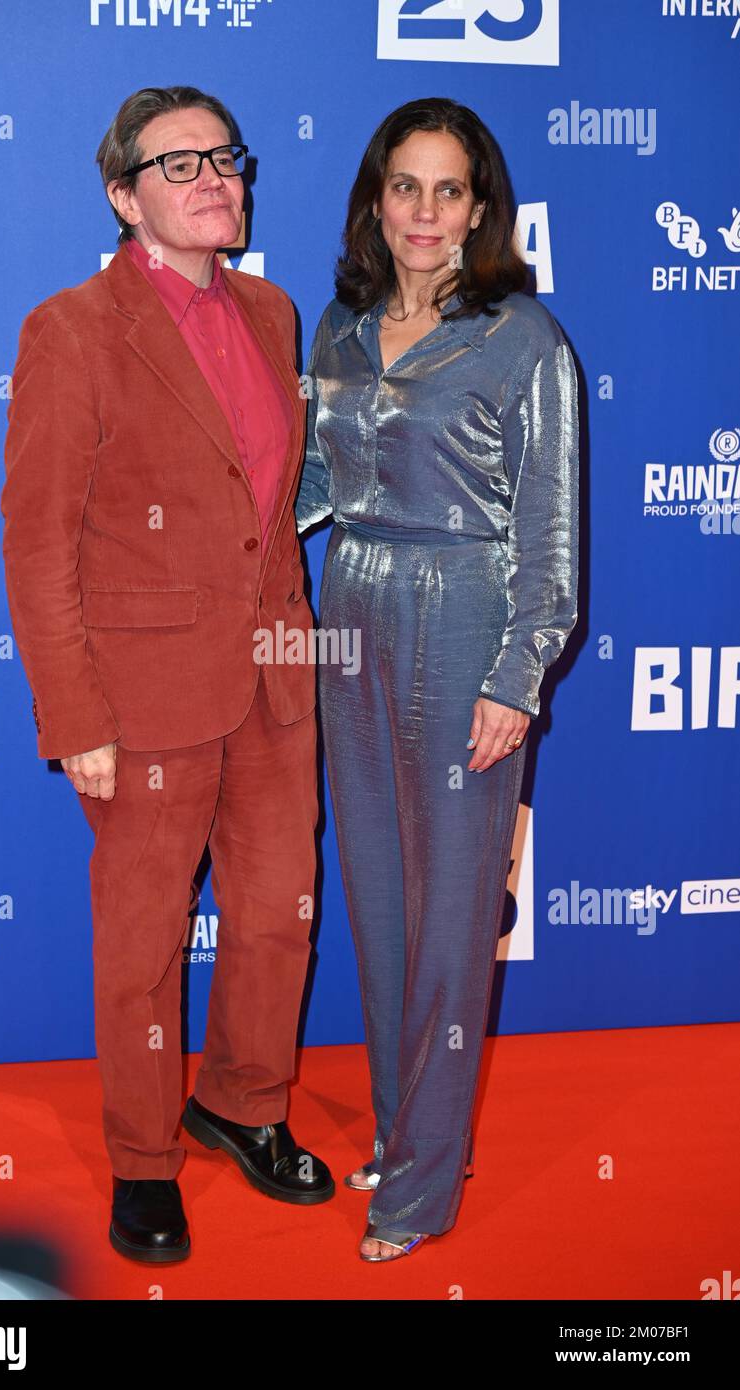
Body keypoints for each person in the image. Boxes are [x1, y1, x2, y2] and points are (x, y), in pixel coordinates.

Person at [1, 85, 333, 1266]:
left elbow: (271, 515)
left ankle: (244, 1103)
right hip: (141, 697)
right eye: (177, 162)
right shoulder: (71, 329)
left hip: (276, 678)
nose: (212, 178)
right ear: (122, 195)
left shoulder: (275, 310)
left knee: (276, 916)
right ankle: (143, 1161)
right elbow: (38, 542)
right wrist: (73, 711)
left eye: (225, 157)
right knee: (142, 943)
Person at [296, 97, 580, 1262]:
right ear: (375, 199)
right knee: (376, 903)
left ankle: (418, 1189)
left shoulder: (524, 339)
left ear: (479, 209)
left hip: (465, 615)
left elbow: (552, 543)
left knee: (454, 919)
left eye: (446, 188)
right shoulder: (340, 325)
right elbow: (311, 480)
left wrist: (515, 678)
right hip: (348, 613)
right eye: (403, 186)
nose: (423, 210)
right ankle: (404, 1128)